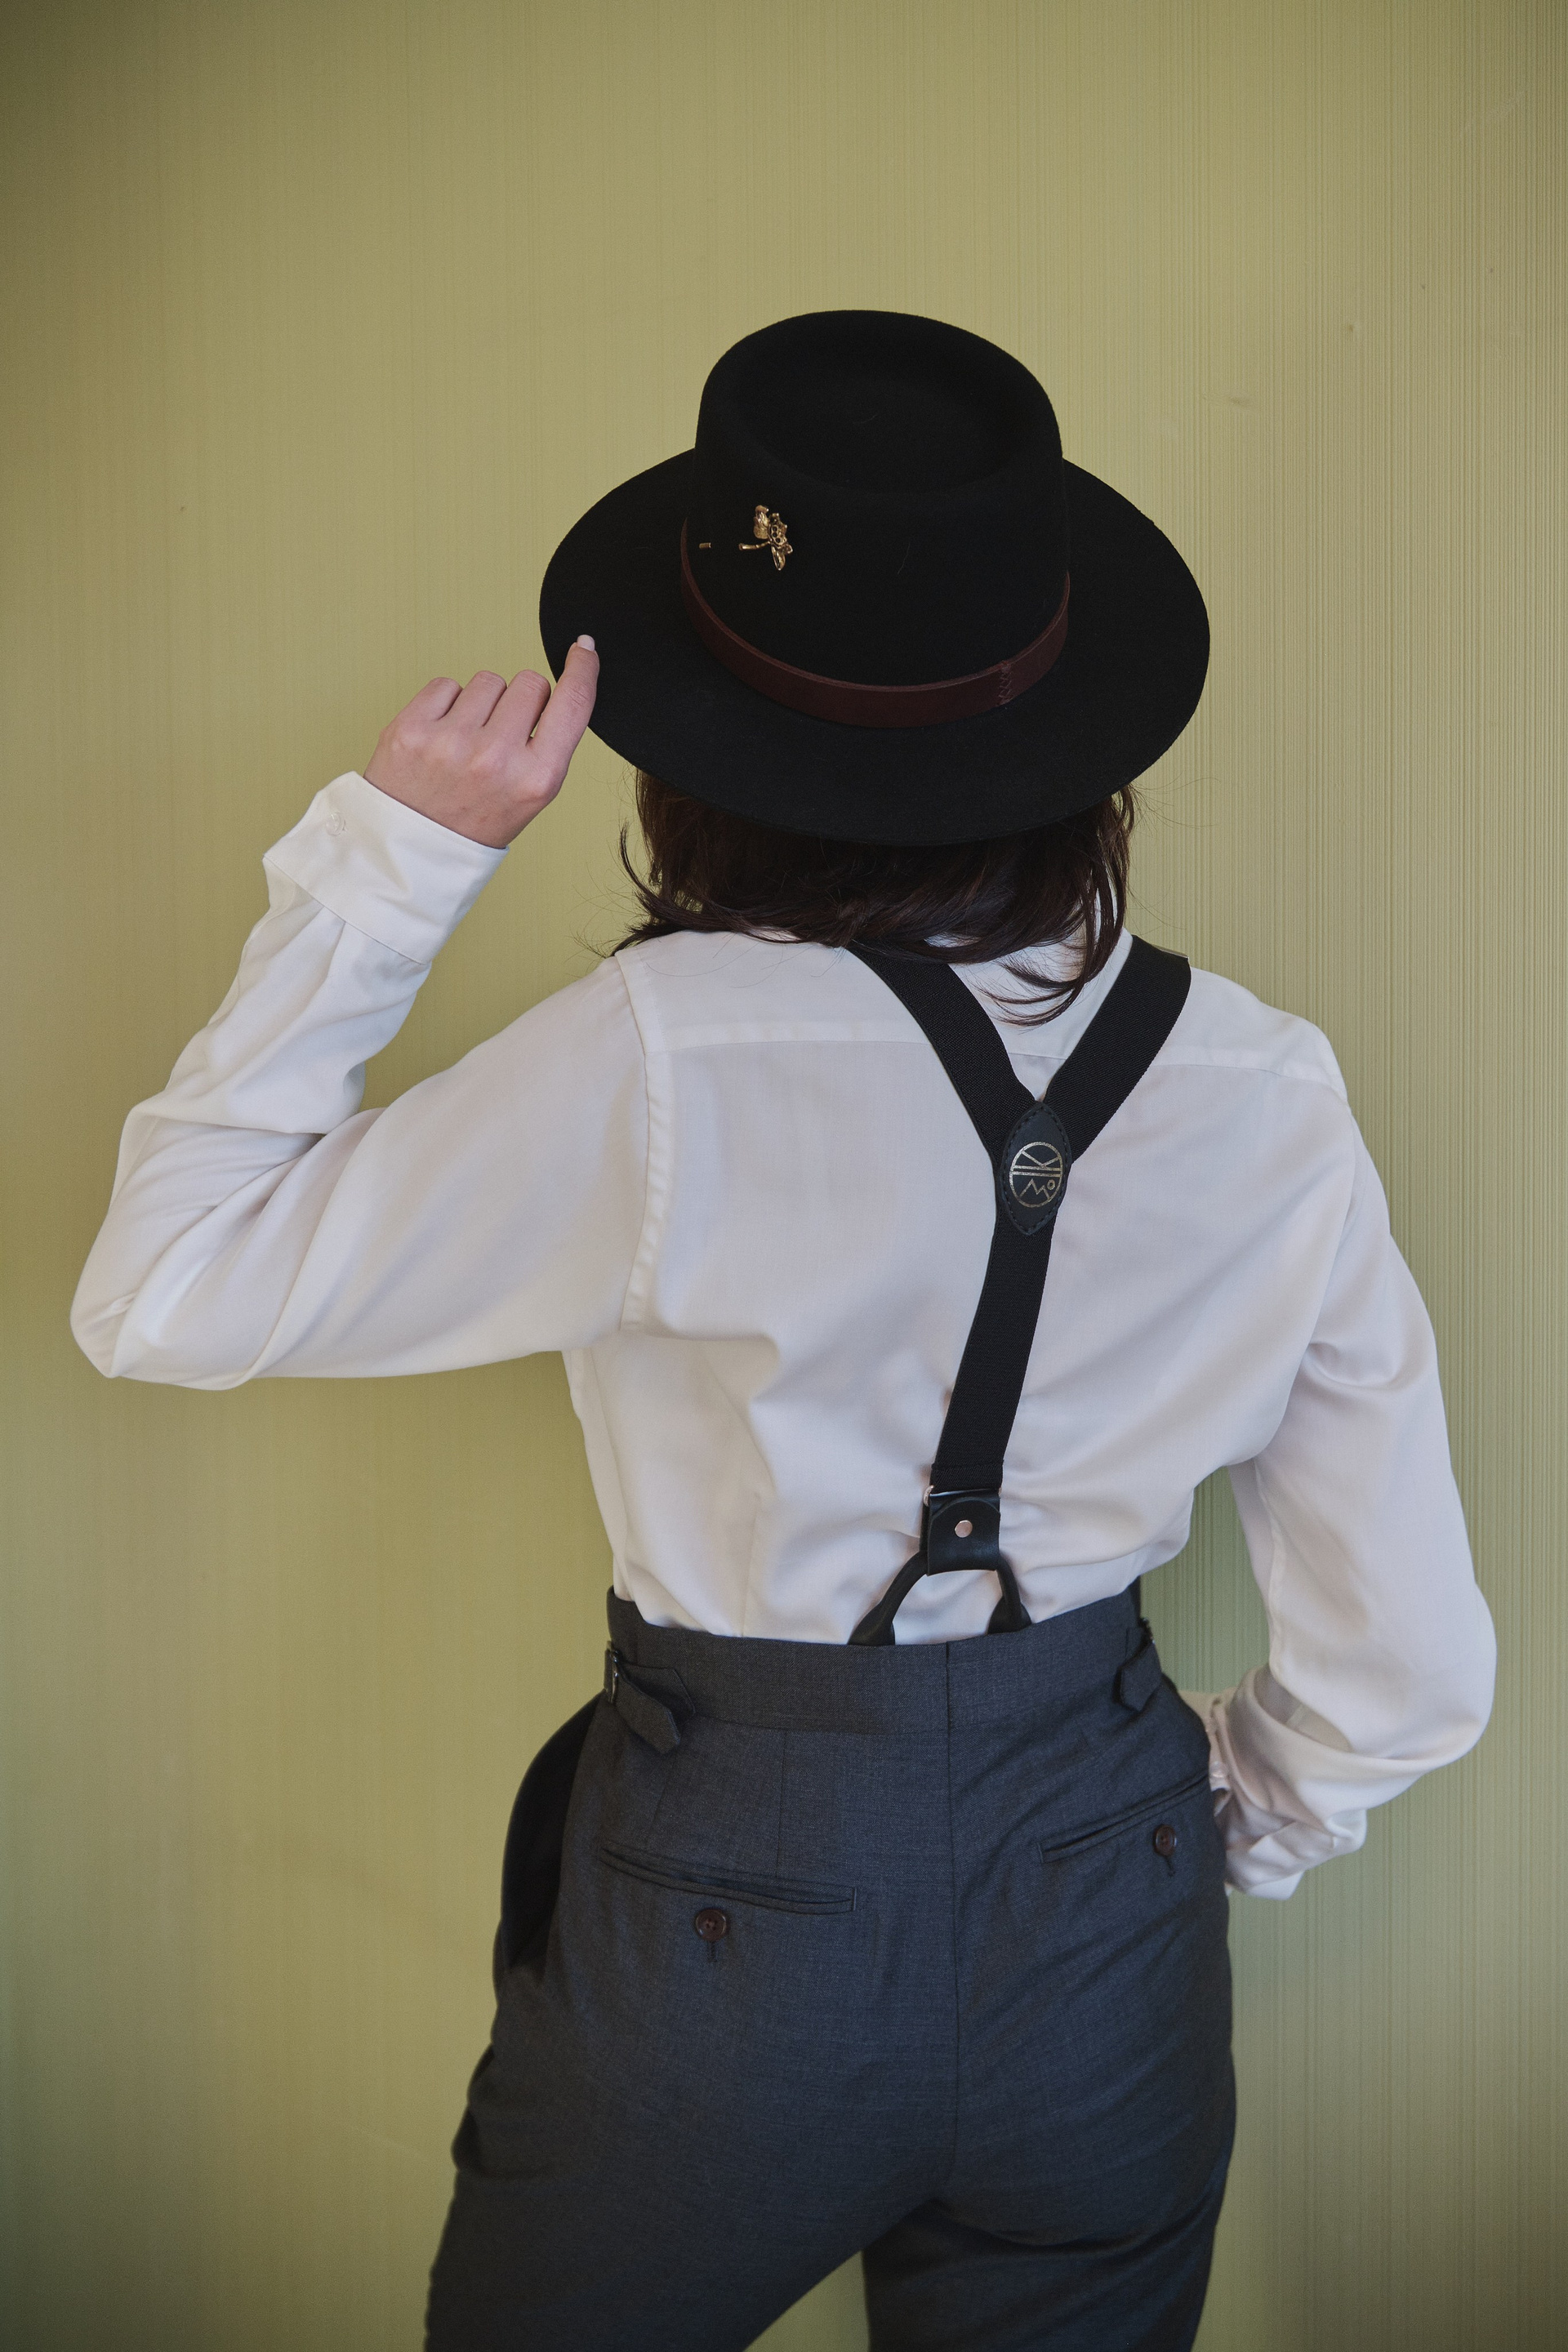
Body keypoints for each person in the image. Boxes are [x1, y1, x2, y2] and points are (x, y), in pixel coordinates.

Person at [72, 310, 1495, 2352]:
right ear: (1074, 738)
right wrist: (1199, 1841)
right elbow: (1410, 1661)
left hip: (734, 1921)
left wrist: (394, 865)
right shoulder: (1269, 1083)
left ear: (702, 756)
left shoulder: (669, 1053)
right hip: (1114, 1912)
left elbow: (162, 1288)